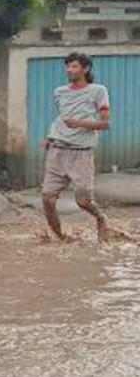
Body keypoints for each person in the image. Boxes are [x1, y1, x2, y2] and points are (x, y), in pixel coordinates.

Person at [42, 52, 110, 241]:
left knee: (83, 202)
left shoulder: (98, 91)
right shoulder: (60, 92)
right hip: (57, 151)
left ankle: (101, 219)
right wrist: (50, 137)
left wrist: (80, 124)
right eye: (68, 67)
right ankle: (60, 239)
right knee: (47, 199)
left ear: (85, 69)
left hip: (81, 153)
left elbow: (106, 124)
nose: (69, 70)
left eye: (74, 67)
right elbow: (61, 118)